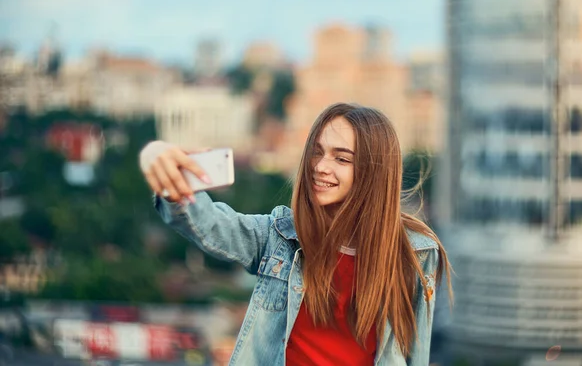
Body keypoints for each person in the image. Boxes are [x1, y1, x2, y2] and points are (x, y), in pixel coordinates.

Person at [139, 102, 453, 366]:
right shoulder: (280, 238)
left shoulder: (415, 255)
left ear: (373, 173)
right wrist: (160, 162)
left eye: (341, 158)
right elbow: (208, 224)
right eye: (318, 152)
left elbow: (415, 353)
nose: (320, 166)